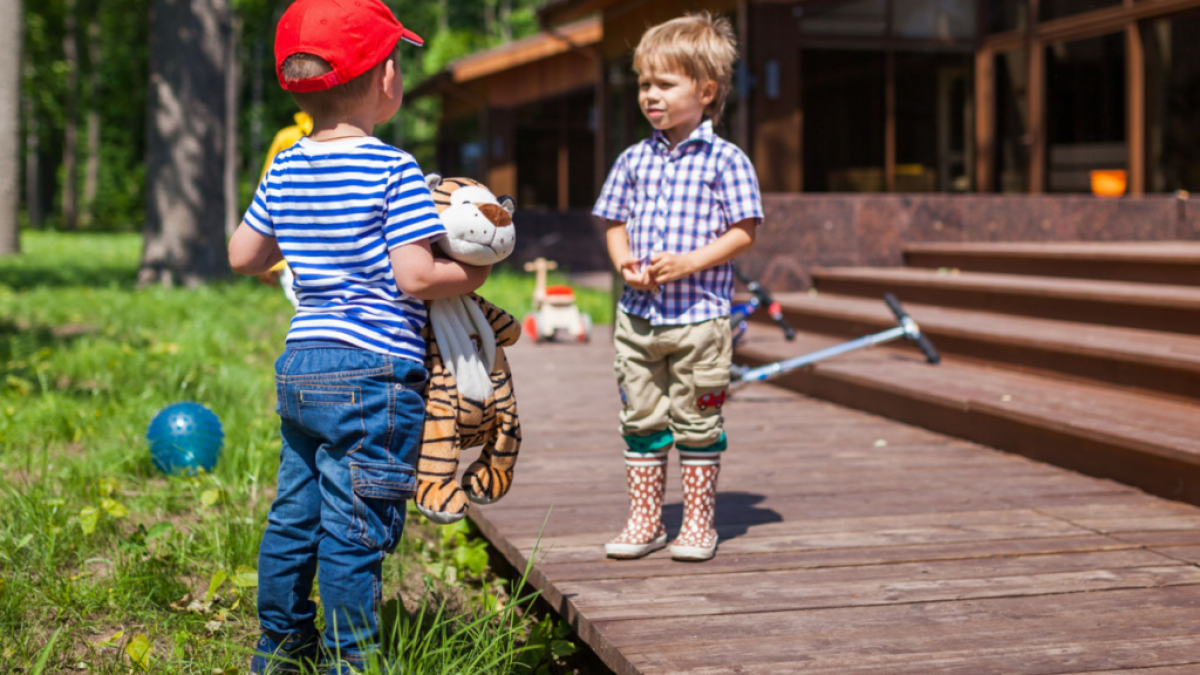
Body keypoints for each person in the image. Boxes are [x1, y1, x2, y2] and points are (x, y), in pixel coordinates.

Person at [226, 0, 490, 671]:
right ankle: (351, 659)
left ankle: (281, 648)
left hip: (302, 365)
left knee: (294, 516)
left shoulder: (286, 165)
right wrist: (475, 270)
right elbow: (414, 275)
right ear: (385, 79)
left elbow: (243, 257)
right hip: (372, 375)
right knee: (354, 528)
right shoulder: (394, 169)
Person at [593, 12, 764, 562]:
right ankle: (645, 521)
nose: (650, 95)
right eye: (644, 83)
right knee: (640, 418)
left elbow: (744, 232)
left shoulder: (726, 160)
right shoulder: (633, 159)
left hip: (701, 319)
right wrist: (624, 265)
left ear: (706, 90)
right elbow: (613, 221)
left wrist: (689, 262)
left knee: (698, 420)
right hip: (639, 317)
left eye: (665, 84)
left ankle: (698, 523)